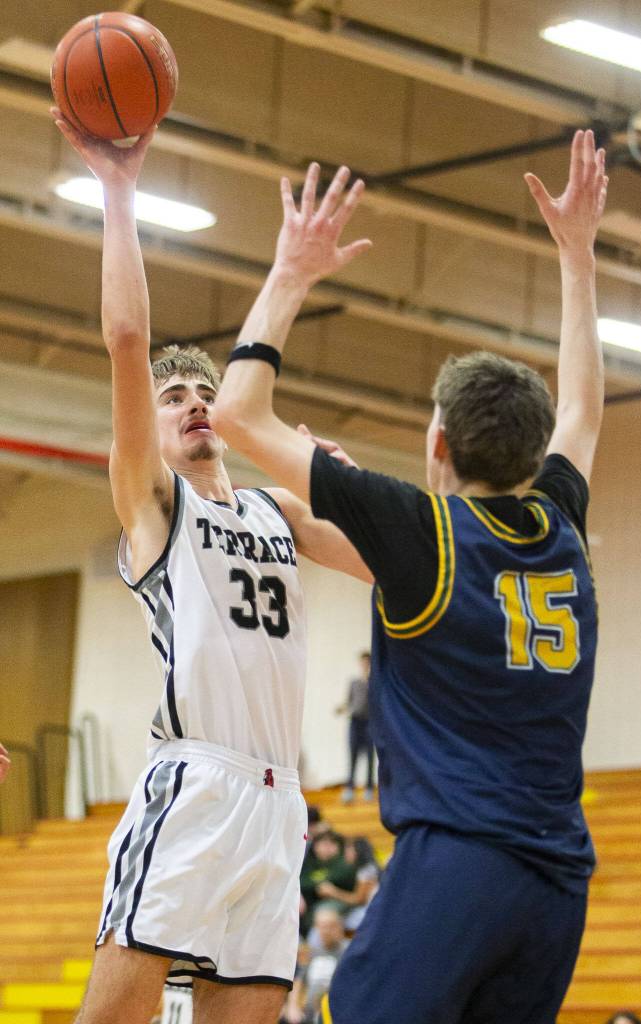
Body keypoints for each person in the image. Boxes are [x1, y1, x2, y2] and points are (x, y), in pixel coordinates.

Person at [212, 128, 607, 1024]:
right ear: (530, 451)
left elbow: (237, 411)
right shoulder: (560, 521)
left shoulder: (421, 530)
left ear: (436, 443)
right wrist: (577, 257)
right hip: (556, 885)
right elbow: (582, 405)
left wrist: (292, 272)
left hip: (455, 864)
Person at [50, 110, 372, 1024]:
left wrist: (361, 493)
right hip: (194, 786)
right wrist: (119, 190)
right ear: (146, 430)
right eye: (173, 397)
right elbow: (124, 340)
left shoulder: (277, 511)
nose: (193, 404)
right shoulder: (157, 506)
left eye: (202, 392)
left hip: (279, 809)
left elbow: (396, 570)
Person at [282, 906, 349, 1024]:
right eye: (322, 927)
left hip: (334, 1008)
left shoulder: (347, 951)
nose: (326, 931)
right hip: (308, 1010)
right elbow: (298, 980)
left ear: (339, 927)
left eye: (331, 926)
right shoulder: (310, 951)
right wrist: (293, 1006)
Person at [336, 651, 374, 803]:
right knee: (353, 755)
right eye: (362, 662)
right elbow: (348, 701)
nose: (364, 665)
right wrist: (341, 708)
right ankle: (349, 788)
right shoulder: (354, 683)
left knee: (370, 757)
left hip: (370, 724)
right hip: (355, 722)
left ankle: (369, 788)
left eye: (367, 662)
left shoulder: (374, 682)